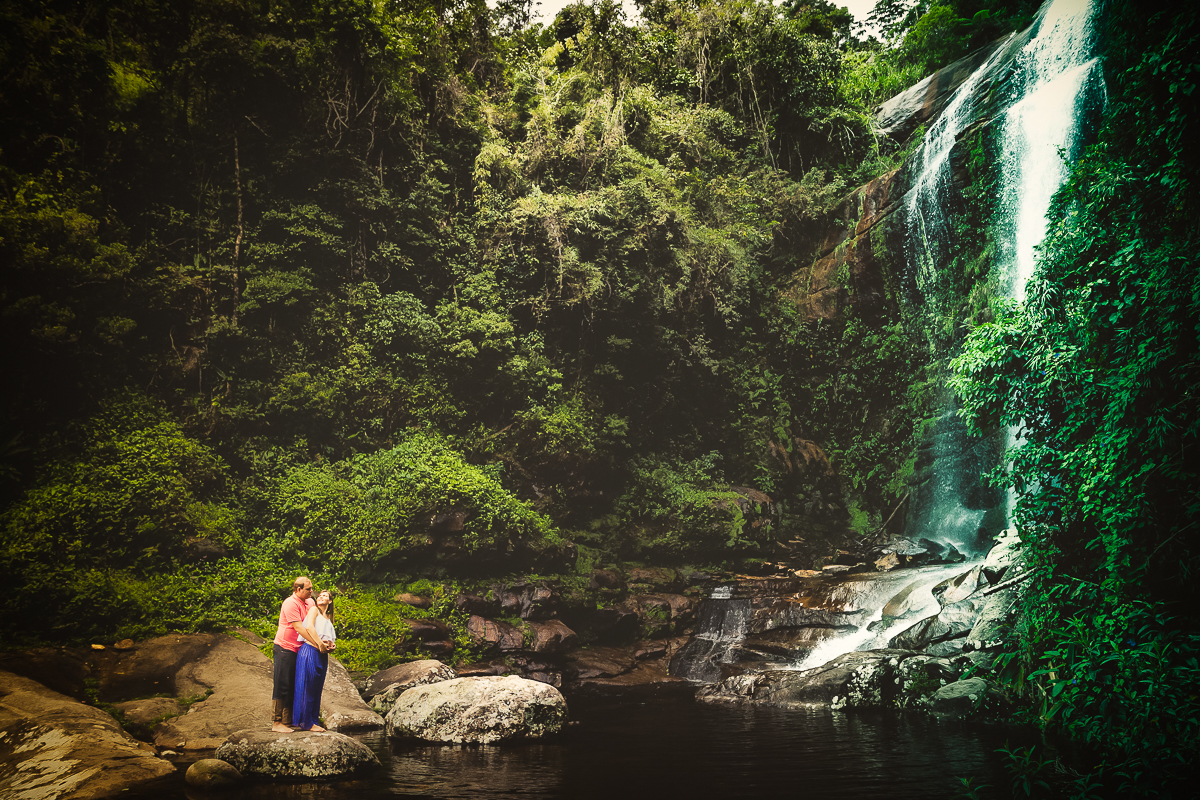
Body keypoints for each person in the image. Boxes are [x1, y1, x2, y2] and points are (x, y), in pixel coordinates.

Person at [271, 576, 319, 732]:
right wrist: (317, 643)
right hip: (285, 648)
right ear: (298, 589)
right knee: (282, 684)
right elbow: (298, 627)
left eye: (311, 588)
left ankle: (288, 720)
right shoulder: (290, 603)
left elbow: (314, 623)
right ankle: (276, 722)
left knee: (294, 685)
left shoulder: (310, 602)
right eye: (308, 589)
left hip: (300, 649)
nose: (312, 591)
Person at [292, 588, 336, 732]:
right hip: (310, 651)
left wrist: (331, 645)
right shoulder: (314, 610)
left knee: (317, 689)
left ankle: (313, 720)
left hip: (322, 654)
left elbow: (327, 637)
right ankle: (306, 723)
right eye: (320, 595)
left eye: (325, 596)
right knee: (308, 687)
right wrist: (319, 644)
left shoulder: (328, 618)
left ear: (330, 601)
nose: (321, 597)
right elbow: (309, 628)